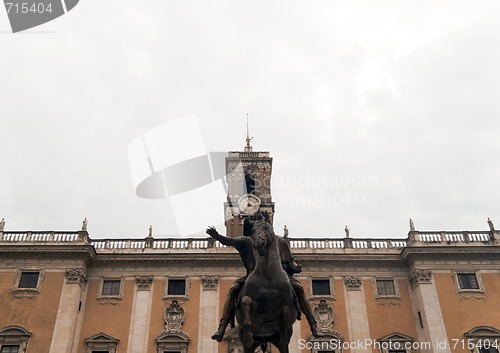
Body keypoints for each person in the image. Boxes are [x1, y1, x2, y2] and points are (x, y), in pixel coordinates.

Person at [206, 214, 320, 342]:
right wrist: (217, 236)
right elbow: (230, 241)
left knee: (299, 288)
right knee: (233, 290)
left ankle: (313, 324)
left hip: (280, 276)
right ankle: (222, 327)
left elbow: (290, 260)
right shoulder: (246, 241)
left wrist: (295, 266)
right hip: (252, 276)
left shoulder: (280, 241)